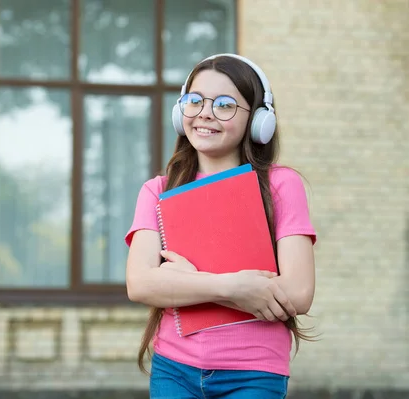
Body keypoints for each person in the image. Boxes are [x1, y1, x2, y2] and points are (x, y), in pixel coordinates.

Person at [124, 53, 316, 399]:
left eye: (225, 105)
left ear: (259, 121)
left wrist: (183, 280)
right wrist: (232, 287)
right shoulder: (157, 191)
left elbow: (298, 293)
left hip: (254, 373)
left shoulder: (280, 185)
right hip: (174, 369)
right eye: (194, 101)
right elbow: (140, 284)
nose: (205, 113)